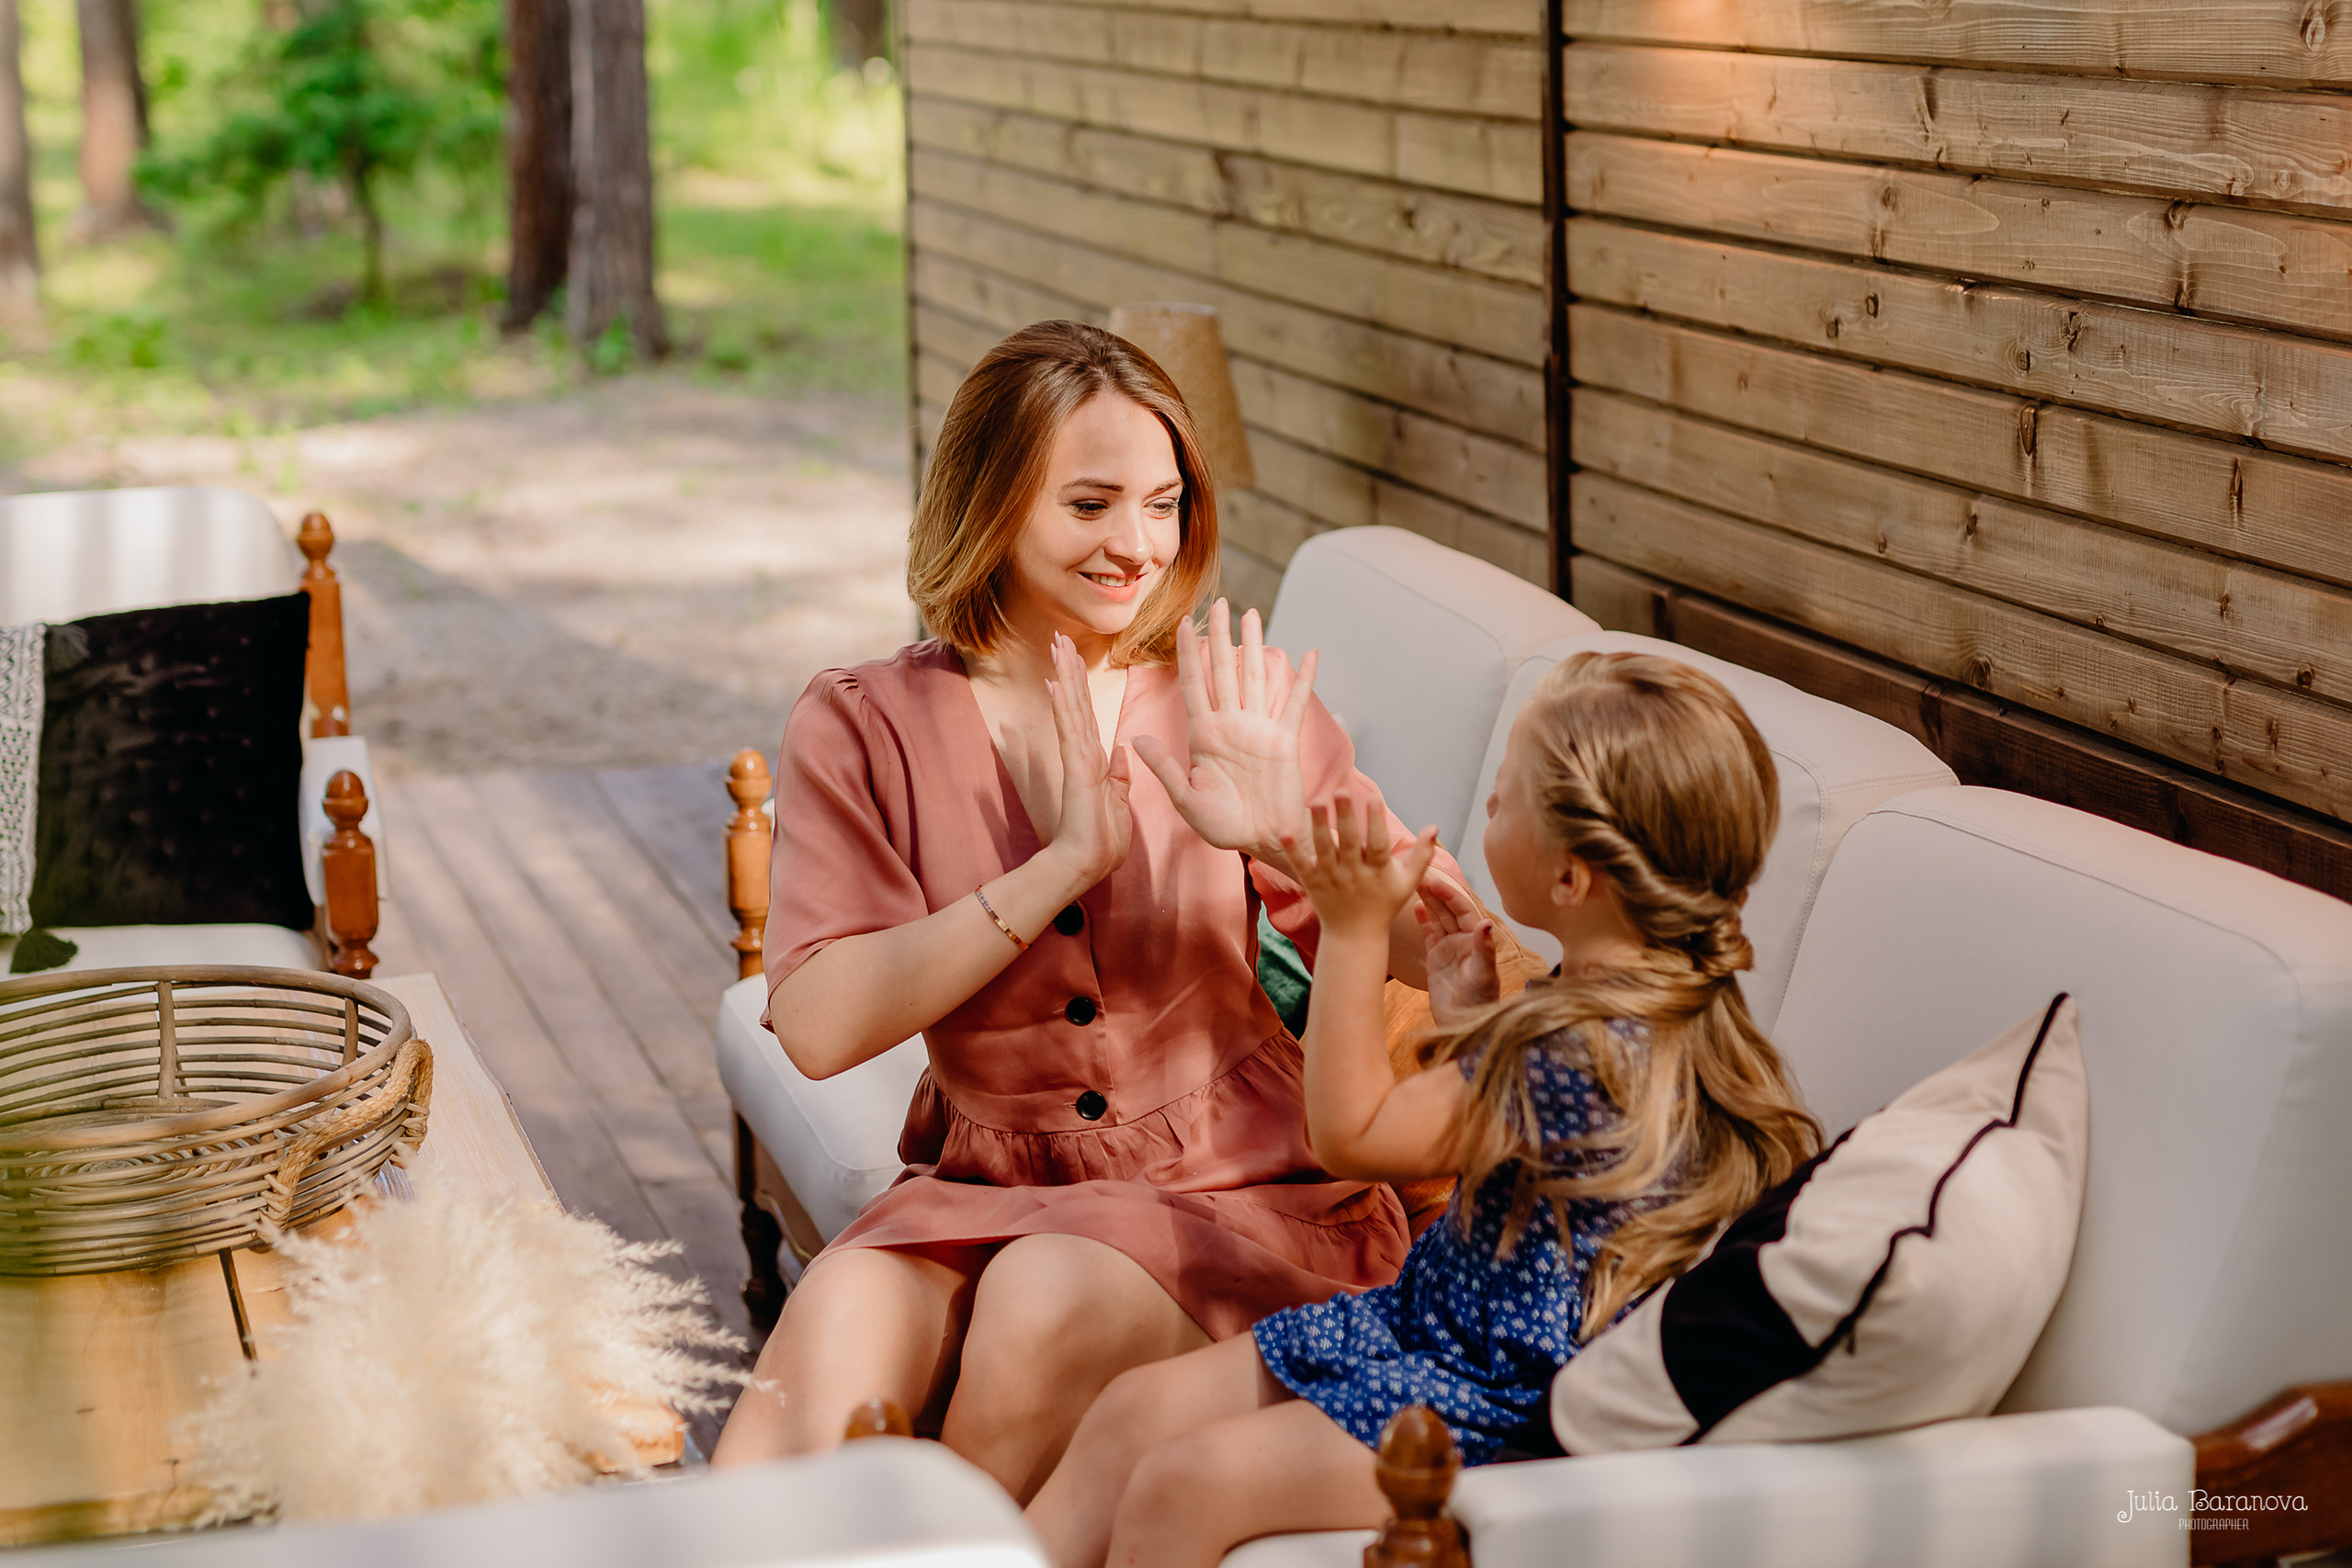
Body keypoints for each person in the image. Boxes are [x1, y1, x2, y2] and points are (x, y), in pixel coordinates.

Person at [709, 321, 1476, 1498]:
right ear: (991, 501)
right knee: (810, 1373)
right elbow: (815, 1025)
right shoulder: (863, 721)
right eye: (1090, 505)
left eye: (1163, 506)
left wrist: (1287, 838)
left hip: (1236, 1190)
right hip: (982, 1185)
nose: (1137, 546)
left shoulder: (1237, 704)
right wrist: (1059, 865)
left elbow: (1457, 957)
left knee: (1041, 1301)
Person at [1024, 651, 1826, 1568]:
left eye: (1508, 793)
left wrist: (1354, 931)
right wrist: (1468, 1017)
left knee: (1183, 1484)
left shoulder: (1571, 1047)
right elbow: (1532, 1160)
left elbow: (1350, 1134)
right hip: (1430, 1326)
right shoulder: (1643, 1009)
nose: (1490, 803)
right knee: (1134, 1410)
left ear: (1572, 879)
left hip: (1495, 1400)